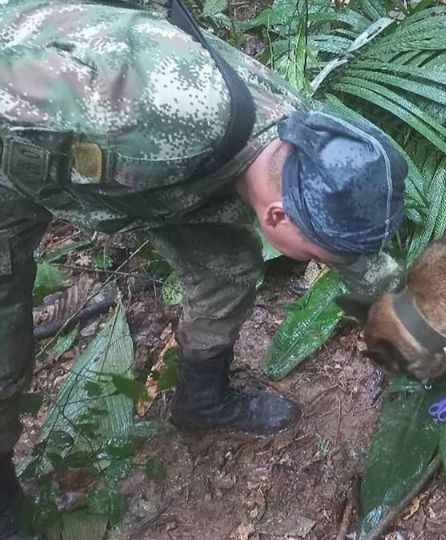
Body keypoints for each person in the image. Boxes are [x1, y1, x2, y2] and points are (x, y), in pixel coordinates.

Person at [0, 0, 407, 536]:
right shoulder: (159, 110)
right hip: (16, 167)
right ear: (277, 215)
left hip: (157, 186)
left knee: (228, 269)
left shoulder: (301, 145)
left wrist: (414, 322)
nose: (321, 265)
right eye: (314, 257)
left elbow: (351, 253)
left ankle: (201, 400)